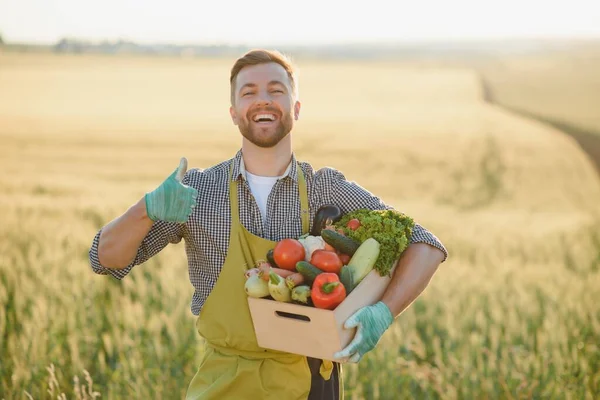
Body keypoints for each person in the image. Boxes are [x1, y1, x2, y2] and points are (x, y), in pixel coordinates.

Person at [88, 49, 448, 400]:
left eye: (276, 90)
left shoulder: (326, 187)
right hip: (224, 383)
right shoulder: (197, 192)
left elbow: (425, 244)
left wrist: (384, 313)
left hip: (310, 383)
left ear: (296, 108)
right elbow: (106, 259)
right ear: (233, 113)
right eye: (249, 92)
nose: (263, 100)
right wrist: (147, 208)